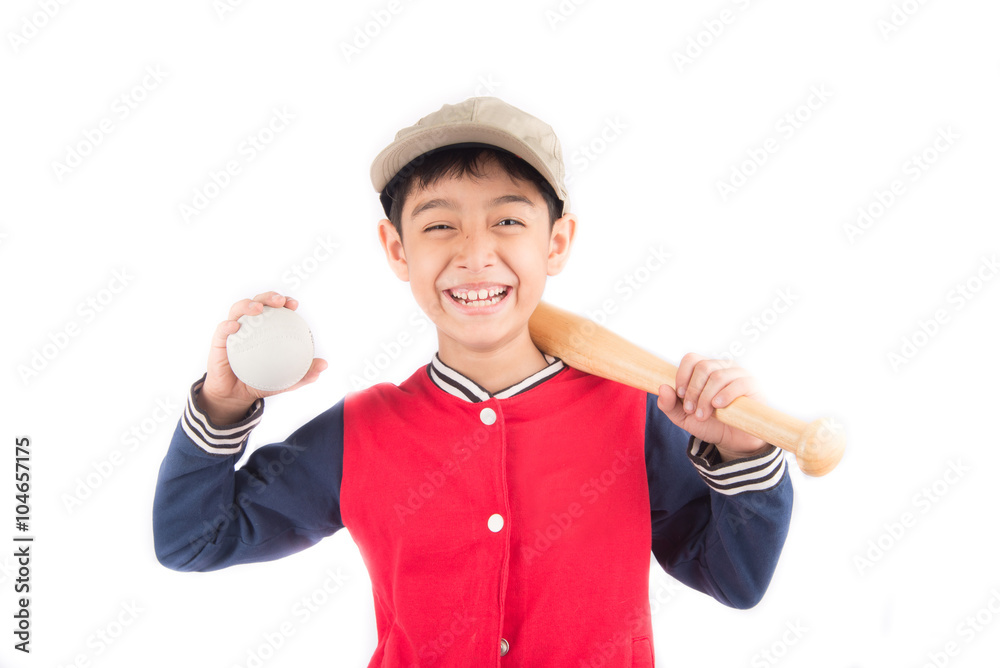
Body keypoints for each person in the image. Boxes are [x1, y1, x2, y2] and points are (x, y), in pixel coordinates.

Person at [152, 96, 793, 667]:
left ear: (558, 242)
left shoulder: (634, 412)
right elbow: (192, 540)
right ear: (397, 249)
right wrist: (222, 408)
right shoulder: (361, 432)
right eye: (438, 225)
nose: (475, 252)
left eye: (508, 221)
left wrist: (742, 455)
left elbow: (735, 580)